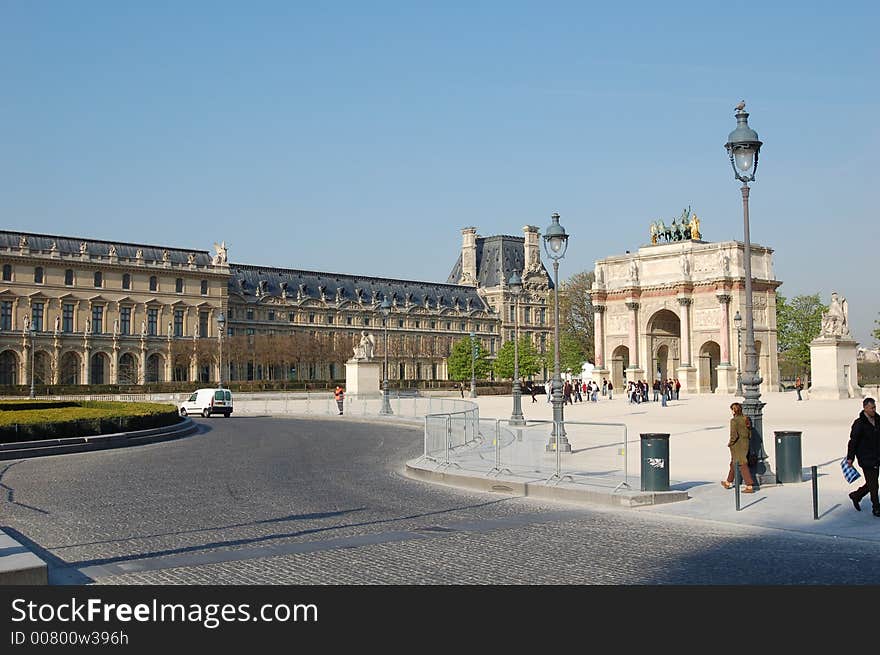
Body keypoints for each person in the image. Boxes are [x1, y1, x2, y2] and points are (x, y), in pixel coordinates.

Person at [846, 397, 880, 516]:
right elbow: (853, 441)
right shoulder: (859, 423)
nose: (874, 410)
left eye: (874, 407)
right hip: (866, 458)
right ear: (865, 408)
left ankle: (856, 495)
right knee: (874, 485)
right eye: (872, 408)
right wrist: (850, 458)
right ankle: (876, 508)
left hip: (877, 457)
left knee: (872, 483)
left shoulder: (878, 420)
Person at [721, 402, 756, 493]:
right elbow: (750, 433)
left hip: (738, 445)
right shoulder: (746, 419)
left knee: (742, 464)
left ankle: (749, 486)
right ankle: (728, 482)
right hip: (745, 443)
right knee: (734, 463)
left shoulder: (734, 421)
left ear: (734, 411)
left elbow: (734, 435)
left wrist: (730, 443)